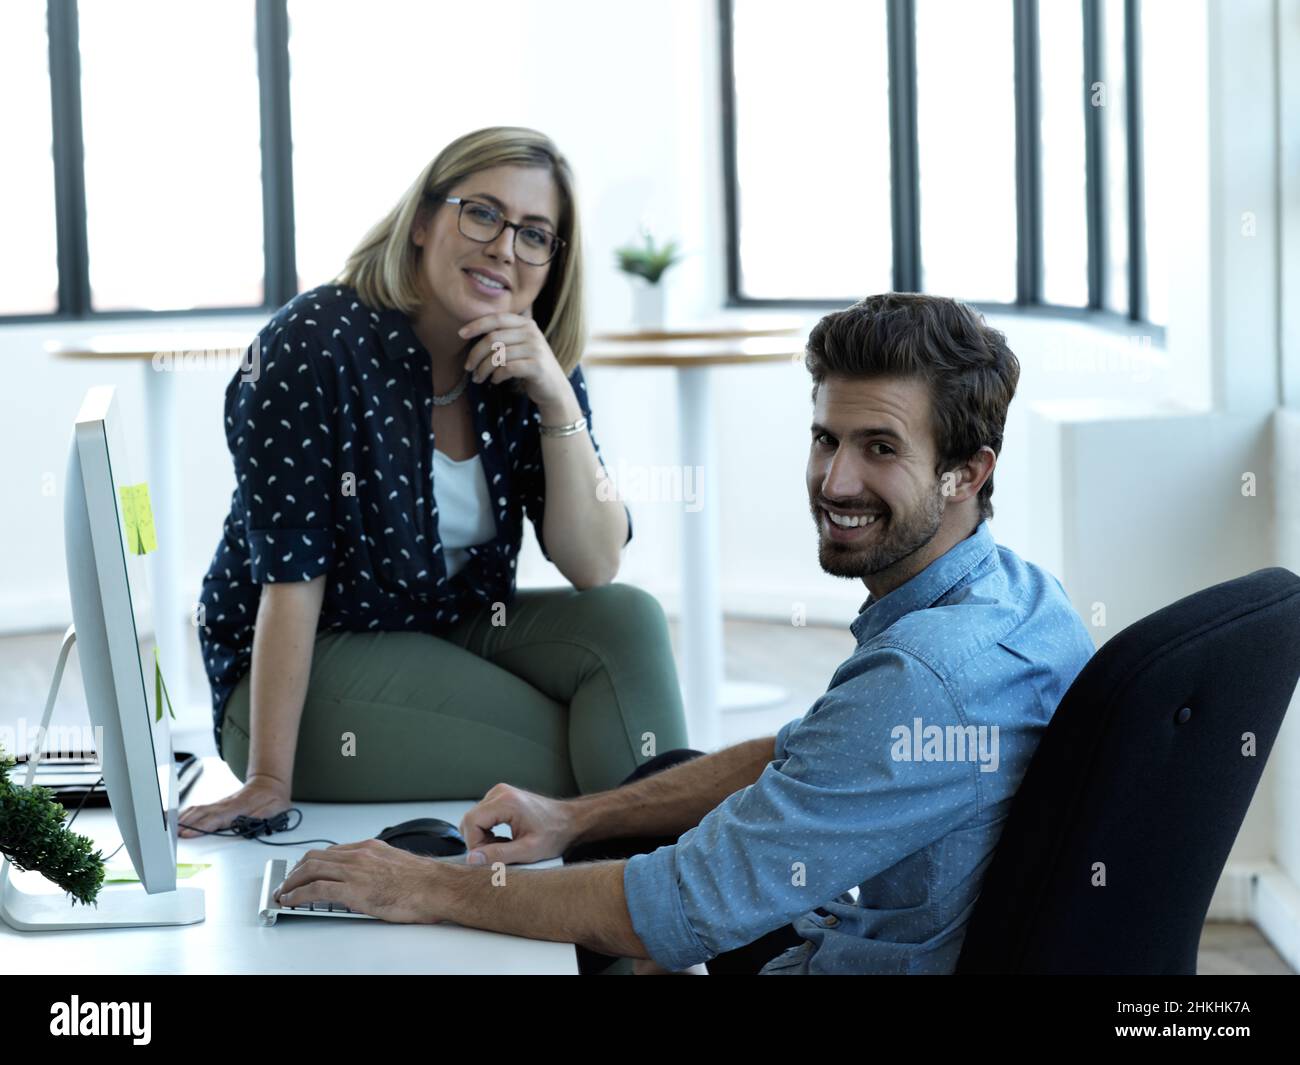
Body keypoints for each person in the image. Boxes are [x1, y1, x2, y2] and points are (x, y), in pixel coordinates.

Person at [271, 292, 1098, 975]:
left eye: (880, 448)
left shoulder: (922, 678)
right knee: (657, 791)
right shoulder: (1021, 596)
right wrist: (572, 818)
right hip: (867, 924)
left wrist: (429, 887)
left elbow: (674, 904)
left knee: (566, 931)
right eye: (825, 438)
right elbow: (809, 748)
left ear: (968, 472)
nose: (836, 479)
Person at [181, 127, 688, 837]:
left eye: (535, 234)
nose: (505, 248)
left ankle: (652, 918)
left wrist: (557, 399)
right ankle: (643, 927)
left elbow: (595, 562)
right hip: (313, 665)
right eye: (483, 213)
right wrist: (269, 778)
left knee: (628, 620)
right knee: (604, 754)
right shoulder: (312, 344)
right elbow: (291, 584)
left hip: (450, 630)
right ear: (422, 221)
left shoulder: (529, 355)